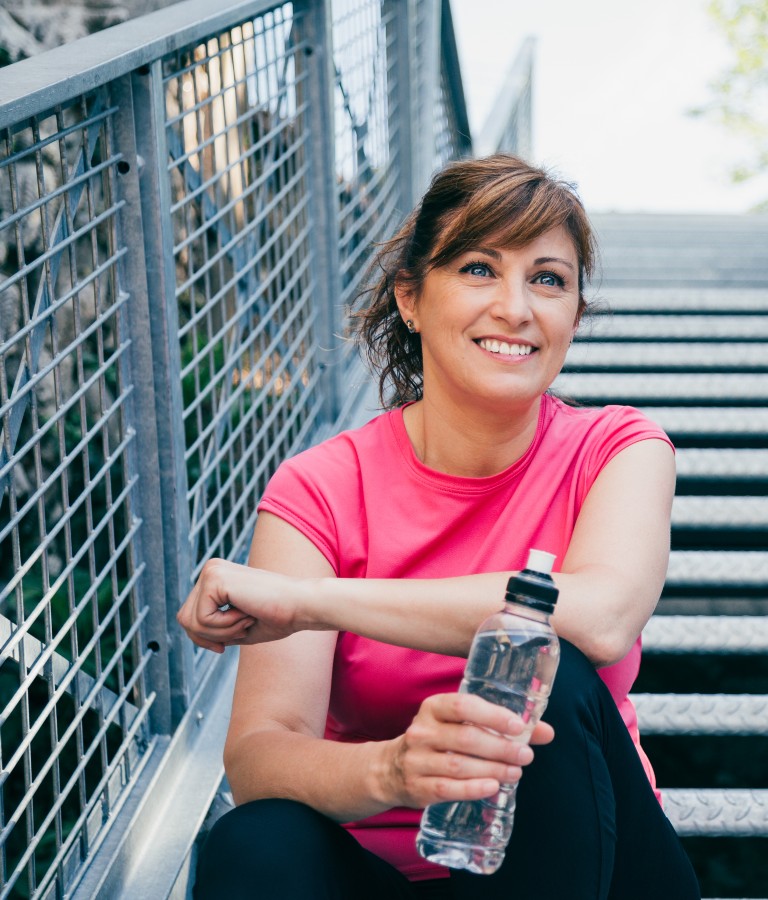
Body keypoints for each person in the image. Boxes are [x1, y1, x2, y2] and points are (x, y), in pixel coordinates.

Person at [175, 154, 701, 899]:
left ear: (573, 319)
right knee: (253, 841)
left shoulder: (618, 448)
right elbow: (260, 758)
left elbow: (601, 618)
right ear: (411, 299)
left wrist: (312, 602)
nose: (516, 308)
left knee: (552, 667)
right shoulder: (322, 487)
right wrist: (388, 769)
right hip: (390, 872)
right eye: (479, 268)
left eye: (548, 279)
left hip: (592, 864)